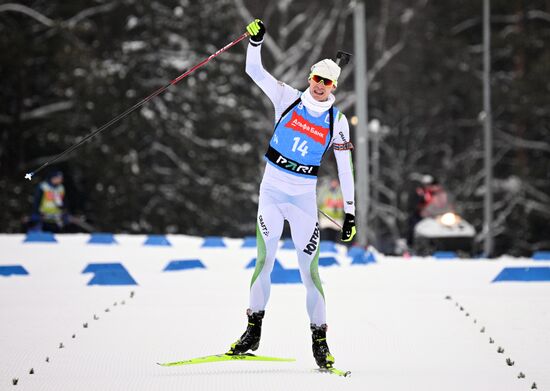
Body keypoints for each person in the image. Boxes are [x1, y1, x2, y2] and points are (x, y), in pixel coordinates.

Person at [227, 20, 357, 370]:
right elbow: (254, 69)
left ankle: (320, 342)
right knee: (263, 263)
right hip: (271, 194)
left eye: (328, 82)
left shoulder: (337, 120)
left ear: (334, 86)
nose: (320, 87)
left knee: (309, 273)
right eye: (317, 79)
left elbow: (345, 168)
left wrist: (350, 213)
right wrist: (256, 41)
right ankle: (252, 331)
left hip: (302, 203)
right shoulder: (286, 97)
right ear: (309, 78)